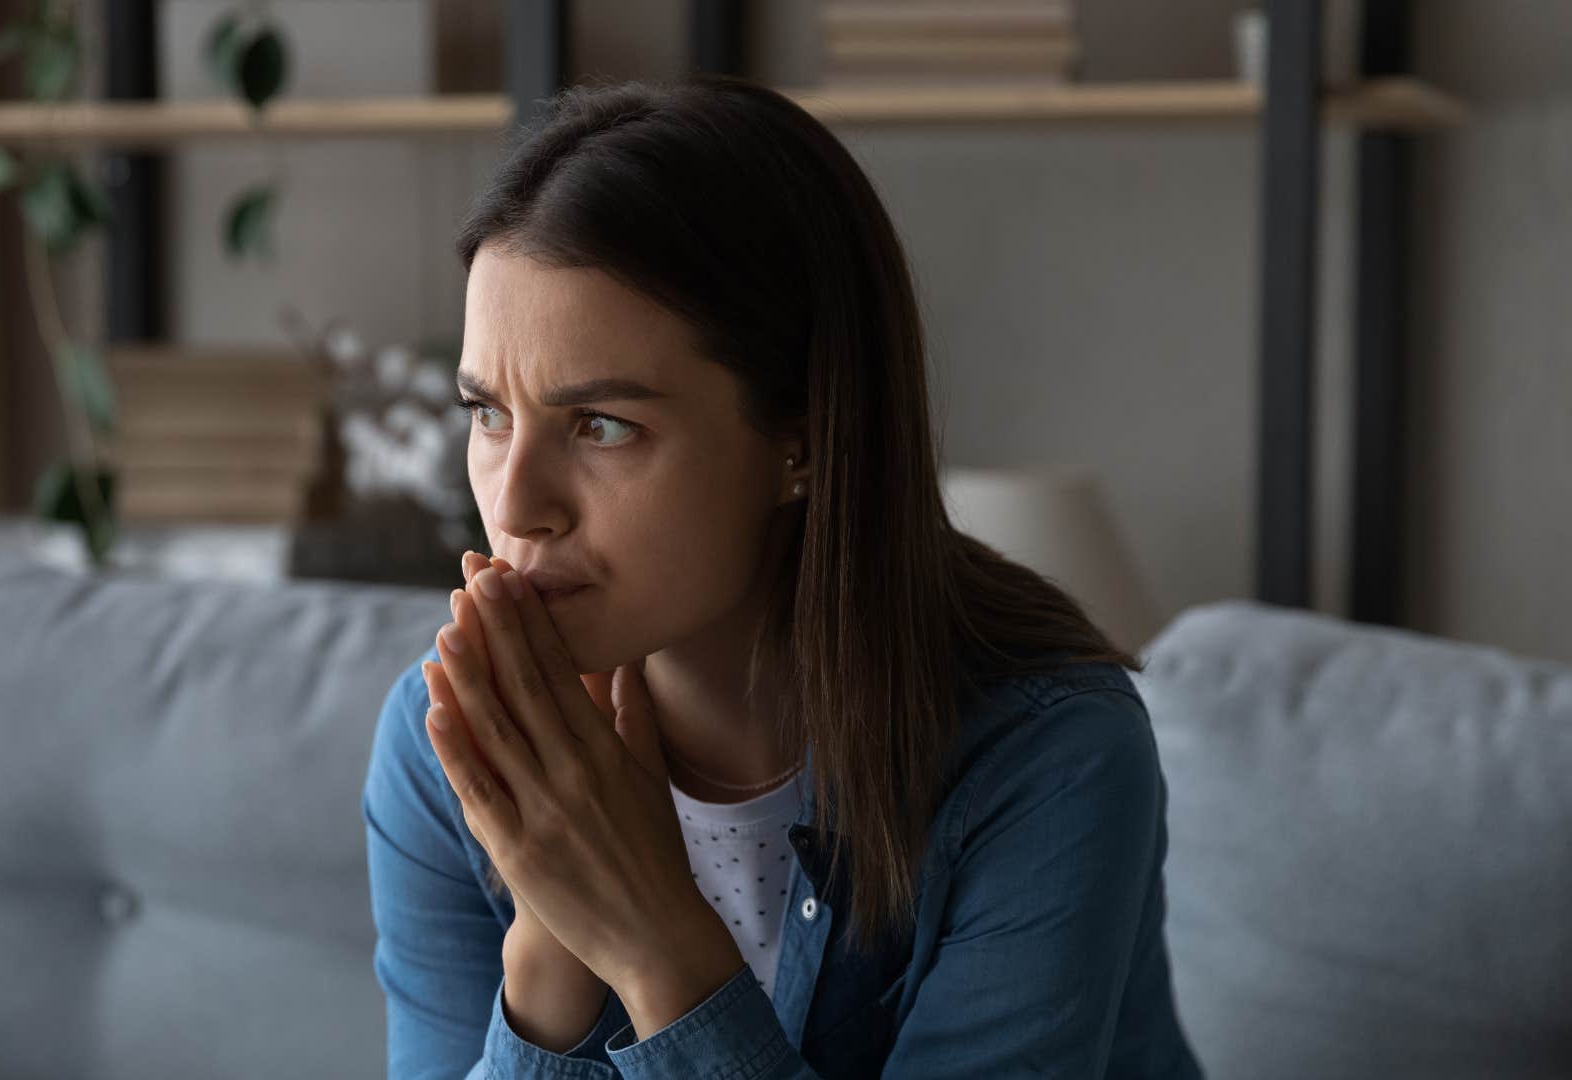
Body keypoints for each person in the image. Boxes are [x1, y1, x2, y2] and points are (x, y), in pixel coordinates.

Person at [360, 73, 1205, 1079]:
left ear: (800, 439)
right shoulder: (440, 744)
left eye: (603, 426)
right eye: (488, 414)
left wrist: (654, 944)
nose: (516, 501)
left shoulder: (1047, 754)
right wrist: (549, 951)